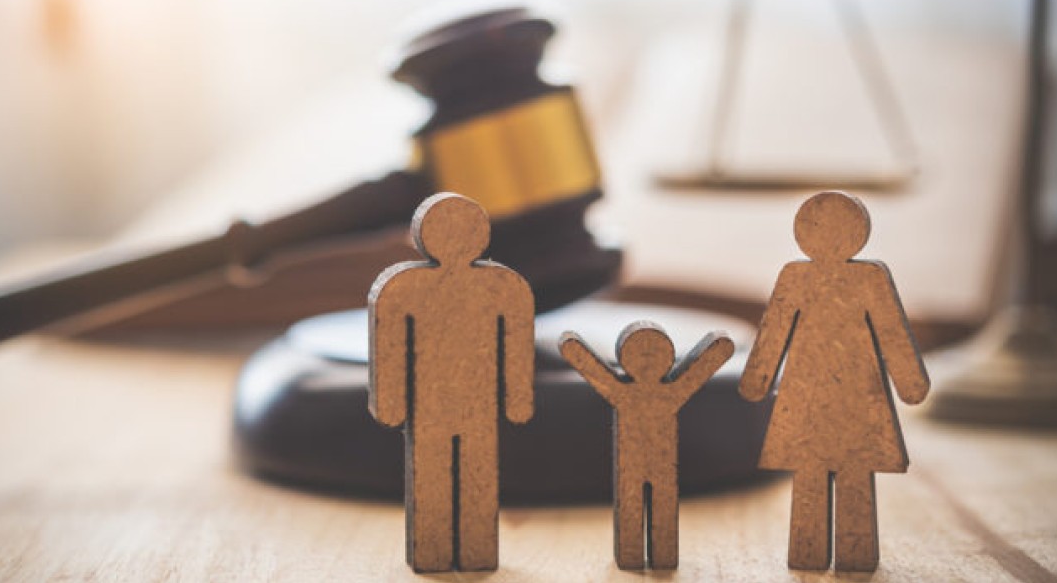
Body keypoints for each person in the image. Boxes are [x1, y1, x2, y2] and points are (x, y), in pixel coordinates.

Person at [739, 191, 930, 572]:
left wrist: (757, 380)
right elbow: (774, 331)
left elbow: (891, 332)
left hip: (851, 394)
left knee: (847, 472)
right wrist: (758, 378)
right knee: (817, 472)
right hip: (815, 395)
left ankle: (852, 554)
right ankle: (813, 552)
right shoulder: (796, 277)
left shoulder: (869, 277)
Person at [367, 193, 535, 572]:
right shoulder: (403, 287)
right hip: (430, 406)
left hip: (475, 404)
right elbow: (389, 345)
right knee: (433, 476)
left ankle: (474, 551)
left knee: (478, 473)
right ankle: (434, 552)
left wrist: (518, 400)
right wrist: (391, 403)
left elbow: (517, 343)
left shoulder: (504, 287)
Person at [559, 322, 733, 570]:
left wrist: (570, 347)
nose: (647, 360)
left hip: (659, 464)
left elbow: (703, 366)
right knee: (633, 507)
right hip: (635, 465)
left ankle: (658, 555)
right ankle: (634, 555)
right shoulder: (630, 391)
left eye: (654, 352)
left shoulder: (662, 391)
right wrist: (571, 347)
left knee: (660, 505)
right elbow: (589, 366)